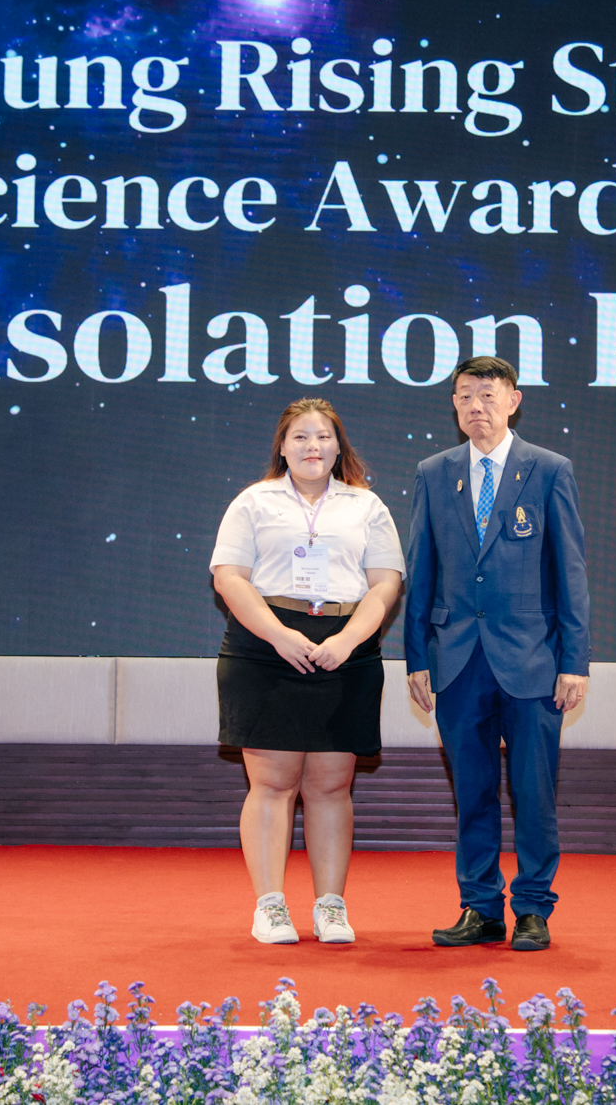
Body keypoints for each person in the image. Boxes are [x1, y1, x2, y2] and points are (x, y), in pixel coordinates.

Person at [404, 356, 589, 951]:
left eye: (487, 394)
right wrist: (416, 657)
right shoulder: (434, 473)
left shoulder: (549, 470)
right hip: (457, 660)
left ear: (513, 400)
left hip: (533, 660)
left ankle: (533, 907)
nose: (475, 406)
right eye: (464, 396)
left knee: (534, 793)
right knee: (473, 793)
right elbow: (421, 571)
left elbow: (571, 573)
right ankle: (480, 907)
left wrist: (574, 661)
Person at [211, 398, 405, 945]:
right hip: (264, 645)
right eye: (300, 436)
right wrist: (278, 634)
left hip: (346, 646)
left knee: (331, 786)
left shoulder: (366, 505)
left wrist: (347, 640)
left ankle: (330, 908)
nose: (312, 446)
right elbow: (229, 577)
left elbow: (386, 584)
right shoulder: (253, 501)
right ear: (282, 446)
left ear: (339, 447)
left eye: (322, 436)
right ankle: (270, 908)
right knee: (272, 784)